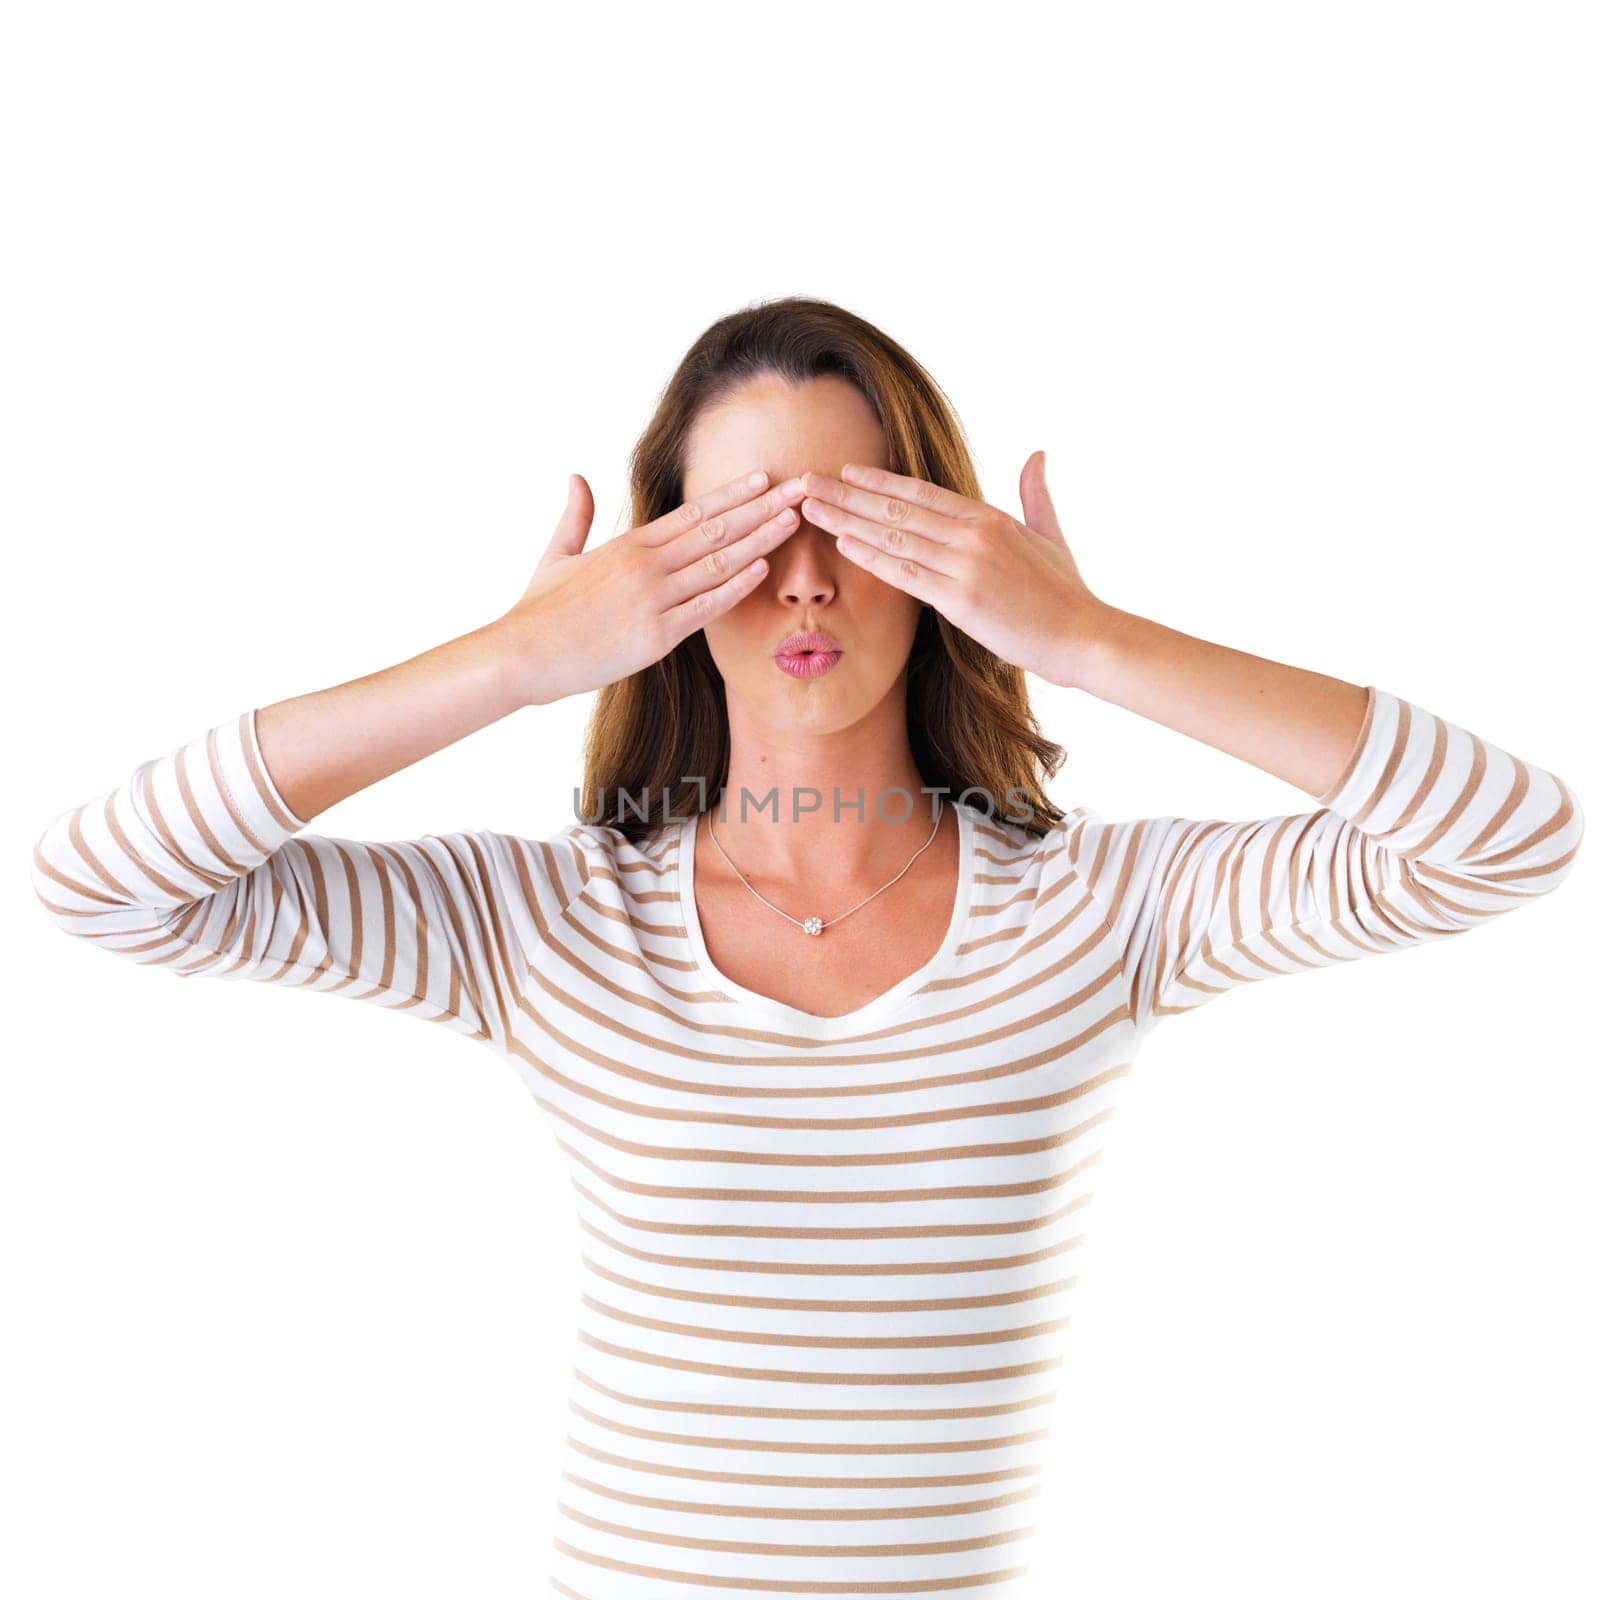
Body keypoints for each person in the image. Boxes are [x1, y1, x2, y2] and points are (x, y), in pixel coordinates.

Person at [29, 296, 1584, 1598]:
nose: (806, 578)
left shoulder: (1103, 913)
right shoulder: (550, 924)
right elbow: (103, 882)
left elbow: (1511, 836)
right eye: (742, 526)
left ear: (947, 542)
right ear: (655, 571)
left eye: (856, 516)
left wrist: (1087, 640)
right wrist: (507, 664)